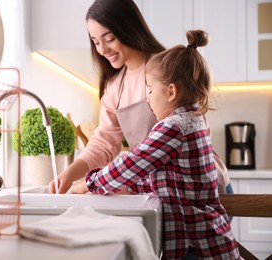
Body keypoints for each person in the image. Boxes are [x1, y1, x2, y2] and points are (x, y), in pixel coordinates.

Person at [71, 30, 240, 259]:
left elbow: (133, 163)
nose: (147, 98)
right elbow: (169, 183)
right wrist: (129, 188)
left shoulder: (173, 127)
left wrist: (89, 183)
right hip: (208, 241)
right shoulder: (192, 119)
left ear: (171, 92)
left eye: (150, 90)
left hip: (196, 246)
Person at [49, 0, 165, 194]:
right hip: (157, 187)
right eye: (95, 42)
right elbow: (104, 142)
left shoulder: (166, 67)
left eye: (109, 39)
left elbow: (169, 140)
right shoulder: (114, 86)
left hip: (195, 186)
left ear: (129, 28)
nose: (102, 50)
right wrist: (70, 173)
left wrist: (94, 183)